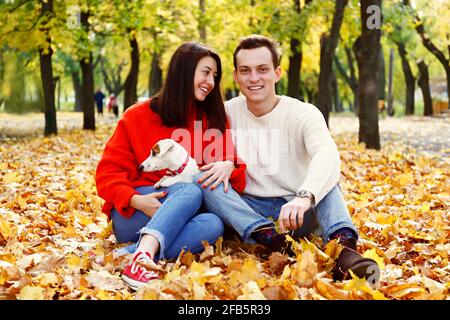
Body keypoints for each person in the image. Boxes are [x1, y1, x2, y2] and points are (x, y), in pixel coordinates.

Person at [196, 35, 380, 285]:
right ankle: (271, 240)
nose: (254, 78)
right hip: (249, 212)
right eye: (245, 71)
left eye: (262, 69)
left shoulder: (303, 113)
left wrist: (304, 196)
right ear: (236, 76)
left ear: (277, 73)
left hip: (297, 211)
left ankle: (345, 250)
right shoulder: (225, 112)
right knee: (206, 181)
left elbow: (327, 154)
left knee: (326, 179)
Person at [95, 42, 246, 290]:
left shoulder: (213, 120)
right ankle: (142, 255)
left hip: (184, 219)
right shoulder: (137, 116)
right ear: (183, 71)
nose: (211, 81)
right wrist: (135, 200)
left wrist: (230, 165)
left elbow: (233, 175)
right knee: (190, 190)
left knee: (213, 225)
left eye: (215, 76)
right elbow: (107, 174)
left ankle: (137, 255)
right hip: (135, 213)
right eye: (205, 72)